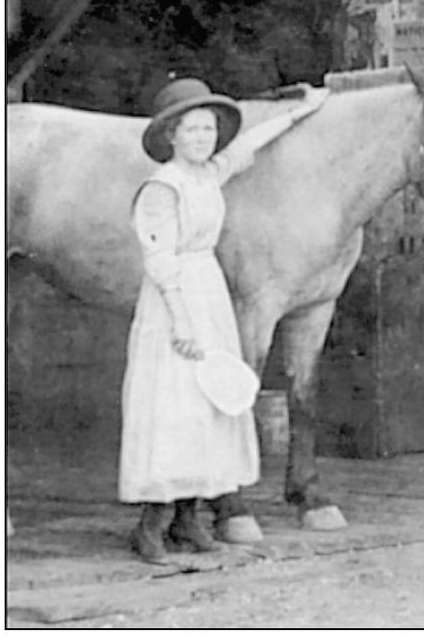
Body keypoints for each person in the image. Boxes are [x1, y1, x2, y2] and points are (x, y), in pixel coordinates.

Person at [122, 77, 329, 564]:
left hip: (208, 290)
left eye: (209, 129)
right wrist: (182, 323)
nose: (202, 138)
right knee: (173, 405)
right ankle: (152, 524)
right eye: (192, 130)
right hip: (175, 300)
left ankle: (189, 517)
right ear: (171, 135)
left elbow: (252, 144)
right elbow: (160, 259)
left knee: (208, 405)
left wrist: (301, 112)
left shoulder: (209, 174)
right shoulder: (162, 187)